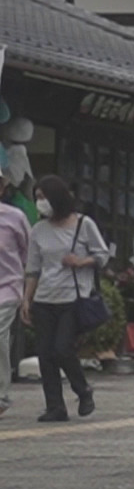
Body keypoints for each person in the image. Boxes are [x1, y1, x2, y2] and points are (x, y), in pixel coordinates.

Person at [22, 176, 108, 422]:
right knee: (45, 353)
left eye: (42, 198)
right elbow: (33, 268)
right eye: (37, 198)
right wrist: (27, 299)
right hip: (45, 298)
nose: (40, 203)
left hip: (72, 297)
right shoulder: (38, 230)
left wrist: (81, 261)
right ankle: (55, 406)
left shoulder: (83, 225)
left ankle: (83, 390)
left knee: (62, 349)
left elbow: (102, 255)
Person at [0, 178, 28, 416]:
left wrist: (30, 292)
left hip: (7, 288)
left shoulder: (14, 218)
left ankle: (0, 395)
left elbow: (29, 254)